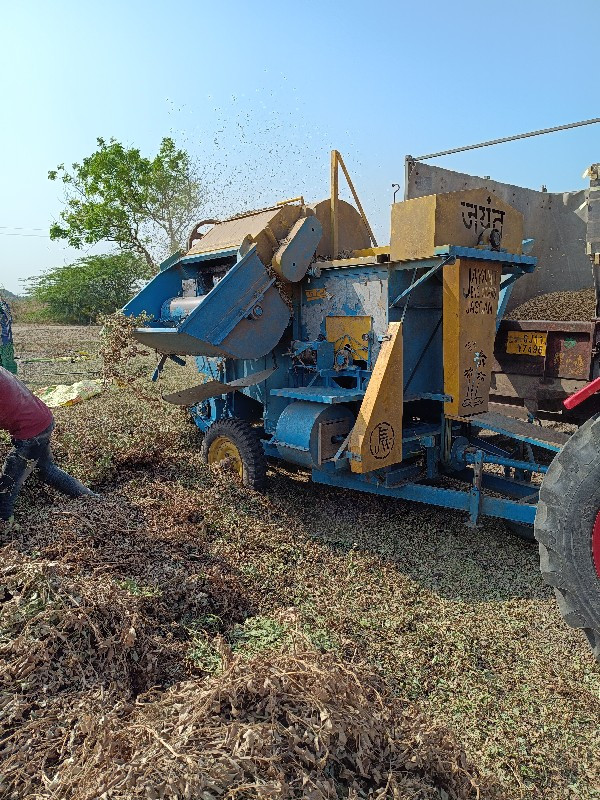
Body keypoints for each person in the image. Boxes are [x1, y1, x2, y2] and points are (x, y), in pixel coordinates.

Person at [0, 366, 95, 523]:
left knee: (7, 486)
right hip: (42, 420)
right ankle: (90, 498)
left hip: (30, 432)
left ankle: (5, 525)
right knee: (46, 470)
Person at [0, 295, 17, 374]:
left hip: (5, 339)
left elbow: (9, 318)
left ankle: (11, 378)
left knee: (7, 360)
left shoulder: (3, 306)